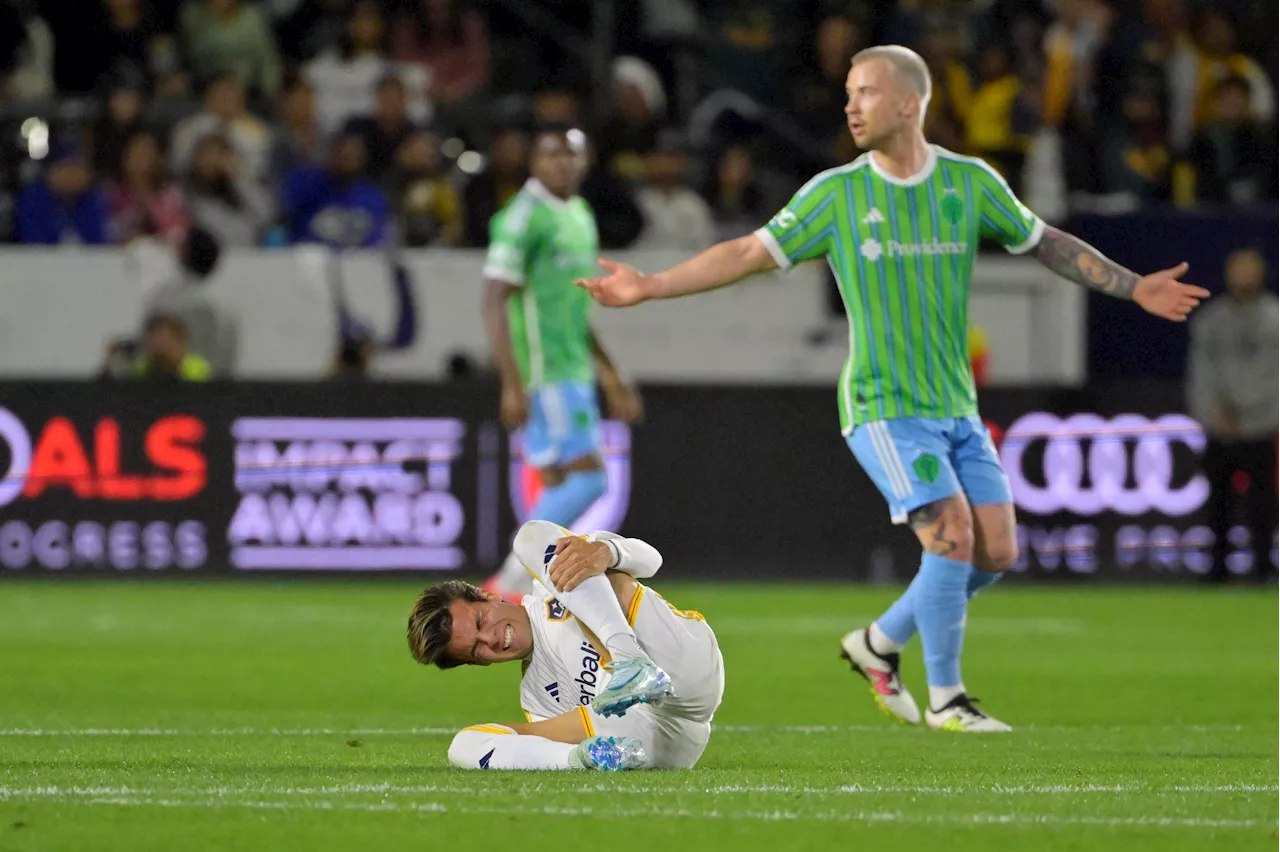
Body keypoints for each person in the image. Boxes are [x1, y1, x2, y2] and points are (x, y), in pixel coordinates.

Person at [578, 45, 1209, 733]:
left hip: (955, 406)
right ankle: (948, 700)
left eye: (866, 92)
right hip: (883, 405)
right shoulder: (836, 193)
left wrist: (1133, 284)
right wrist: (650, 285)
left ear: (909, 104)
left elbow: (1047, 242)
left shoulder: (969, 183)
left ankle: (878, 643)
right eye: (849, 92)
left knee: (998, 552)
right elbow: (747, 253)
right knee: (951, 539)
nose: (850, 104)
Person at [407, 520, 723, 771]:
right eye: (477, 649)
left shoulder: (553, 575)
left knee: (530, 538)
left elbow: (652, 560)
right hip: (665, 746)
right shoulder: (537, 699)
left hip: (685, 668)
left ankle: (630, 660)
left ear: (489, 595)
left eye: (480, 621)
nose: (490, 638)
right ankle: (580, 760)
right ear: (480, 663)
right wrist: (573, 756)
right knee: (463, 746)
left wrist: (607, 552)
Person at [480, 123, 643, 601]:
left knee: (554, 482)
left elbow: (576, 305)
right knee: (590, 477)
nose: (562, 163)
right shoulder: (522, 217)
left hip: (572, 364)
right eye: (551, 154)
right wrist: (511, 382)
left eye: (570, 154)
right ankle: (509, 582)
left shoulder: (579, 213)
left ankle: (529, 587)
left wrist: (610, 371)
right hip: (545, 370)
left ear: (585, 160)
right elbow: (493, 300)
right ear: (533, 161)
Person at [1187, 247, 1280, 583]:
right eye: (1237, 269)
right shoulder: (1211, 320)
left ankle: (1264, 569)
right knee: (1218, 504)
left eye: (1249, 269)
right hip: (1220, 427)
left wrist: (1256, 413)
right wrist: (1213, 412)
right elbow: (1202, 373)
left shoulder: (1275, 319)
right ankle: (1216, 570)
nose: (1243, 276)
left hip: (1261, 427)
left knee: (1263, 506)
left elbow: (1274, 377)